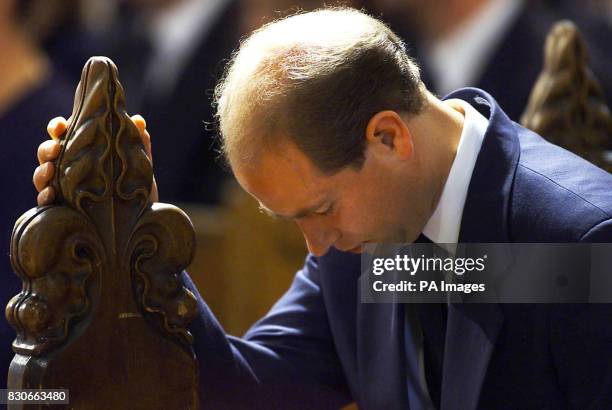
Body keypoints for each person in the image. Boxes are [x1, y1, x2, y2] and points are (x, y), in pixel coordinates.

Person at [33, 8, 612, 409]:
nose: (316, 245)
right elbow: (255, 391)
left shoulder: (581, 242)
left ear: (388, 137)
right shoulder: (355, 237)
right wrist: (136, 228)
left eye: (320, 209)